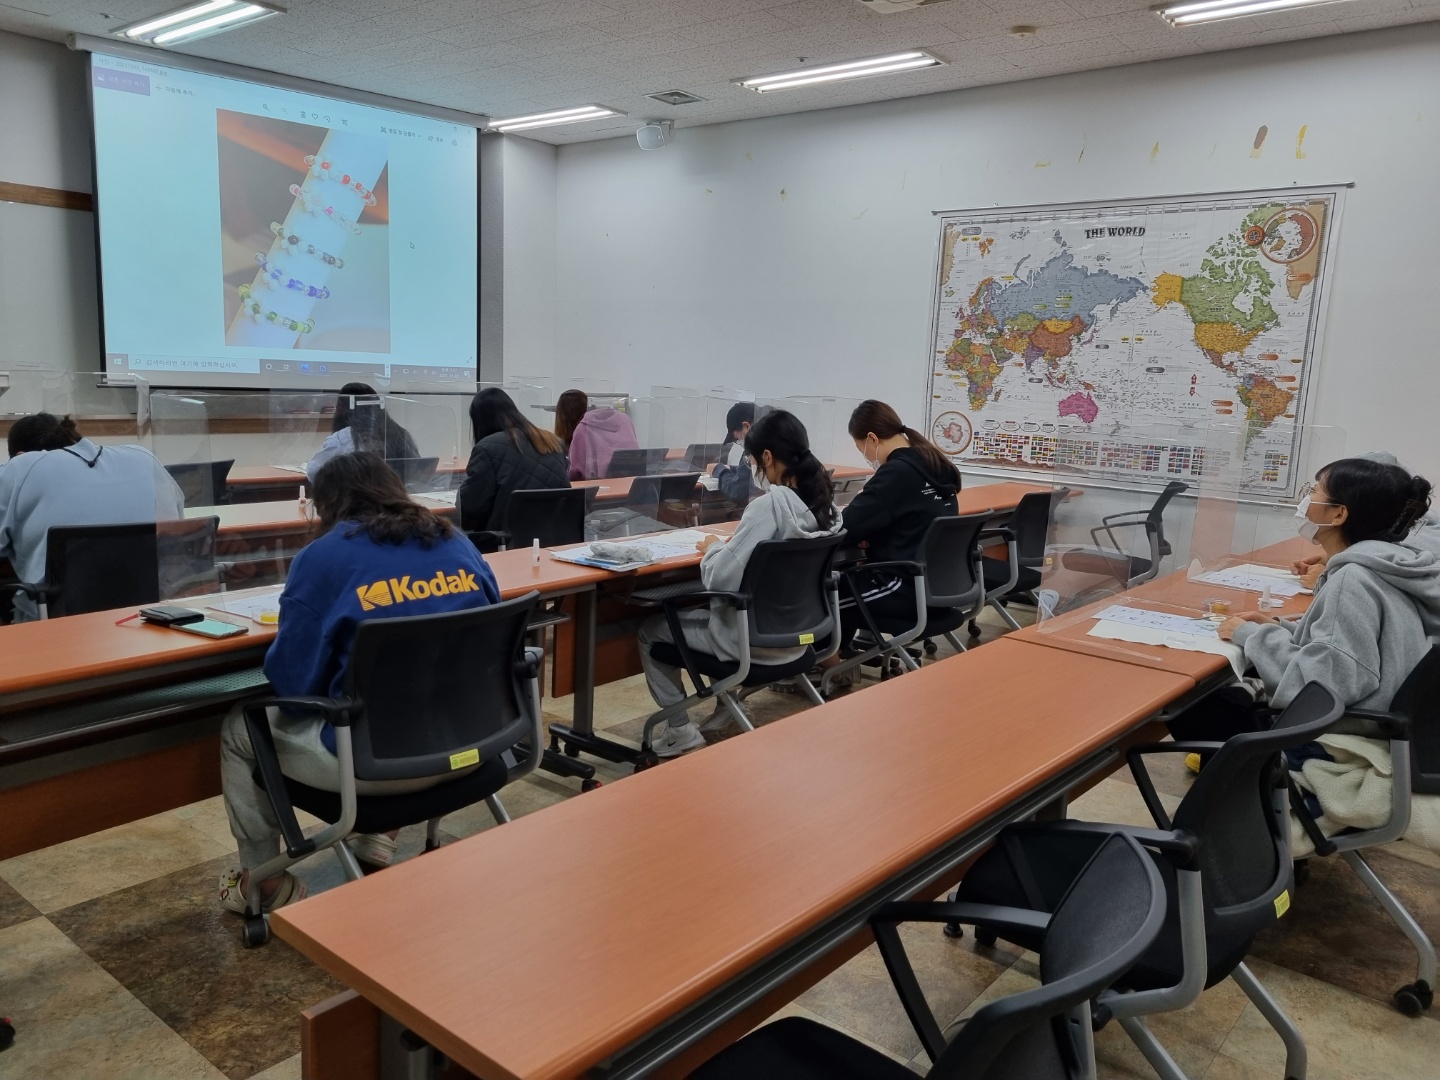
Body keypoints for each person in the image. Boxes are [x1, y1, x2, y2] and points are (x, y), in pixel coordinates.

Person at [218, 452, 500, 914]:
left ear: (326, 504)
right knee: (411, 692)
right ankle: (379, 837)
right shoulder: (457, 543)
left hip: (373, 768)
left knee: (239, 726)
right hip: (473, 747)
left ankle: (262, 882)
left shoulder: (322, 558)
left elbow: (293, 687)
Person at [1170, 457, 1440, 749]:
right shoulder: (1390, 565)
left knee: (1187, 705)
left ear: (1338, 515)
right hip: (1387, 724)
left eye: (1315, 491)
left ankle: (1259, 777)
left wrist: (1250, 635)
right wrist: (1279, 627)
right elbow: (1343, 646)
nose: (1307, 498)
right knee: (1224, 695)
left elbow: (1323, 684)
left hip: (1337, 736)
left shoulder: (1353, 579)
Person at [636, 409, 841, 756]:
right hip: (802, 639)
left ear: (767, 457)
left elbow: (720, 577)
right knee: (720, 611)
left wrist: (714, 549)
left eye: (751, 460)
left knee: (650, 629)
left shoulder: (768, 508)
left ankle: (679, 730)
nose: (753, 468)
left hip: (752, 644)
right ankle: (726, 709)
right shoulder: (827, 508)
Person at [0, 413, 185, 622]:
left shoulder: (20, 468)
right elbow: (177, 527)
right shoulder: (144, 458)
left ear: (20, 455)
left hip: (60, 626)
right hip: (154, 618)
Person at [831, 400, 962, 649]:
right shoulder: (934, 463)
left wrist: (863, 527)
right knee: (844, 585)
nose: (865, 456)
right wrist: (875, 532)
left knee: (824, 596)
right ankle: (843, 658)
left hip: (903, 588)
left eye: (861, 449)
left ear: (872, 438)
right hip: (939, 588)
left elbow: (848, 525)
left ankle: (831, 665)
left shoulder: (896, 473)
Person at [458, 387, 570, 532]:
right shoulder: (552, 442)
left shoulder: (487, 448)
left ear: (480, 420)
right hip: (557, 536)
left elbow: (469, 506)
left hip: (505, 540)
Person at [305, 382, 422, 482]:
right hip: (396, 495)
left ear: (342, 406)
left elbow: (314, 471)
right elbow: (414, 468)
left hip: (357, 498)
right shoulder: (399, 432)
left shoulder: (343, 438)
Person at [567, 402, 639, 480]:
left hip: (596, 485)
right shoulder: (626, 421)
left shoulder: (582, 428)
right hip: (630, 482)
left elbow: (575, 471)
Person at [713, 402, 756, 504]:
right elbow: (750, 472)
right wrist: (731, 468)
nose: (739, 442)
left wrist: (720, 470)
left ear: (746, 427)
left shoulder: (755, 448)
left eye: (737, 439)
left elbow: (735, 491)